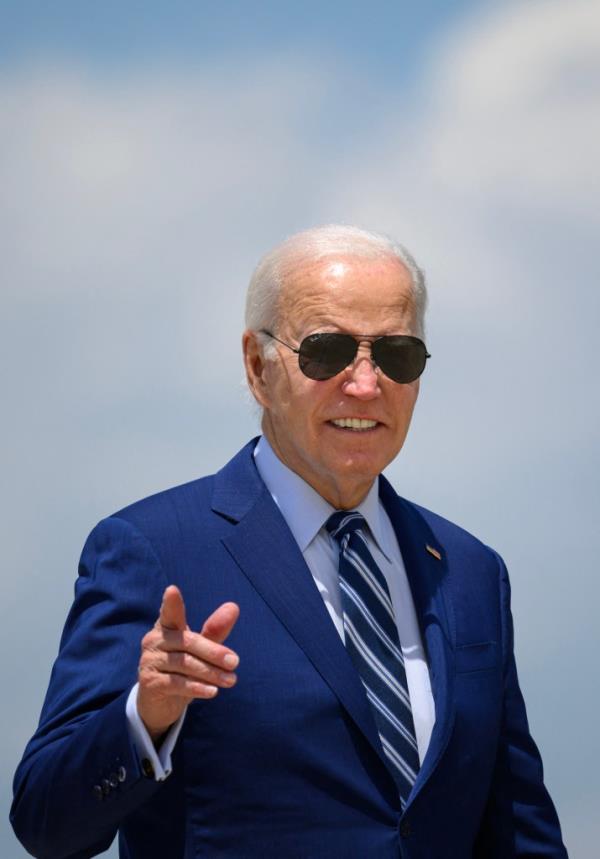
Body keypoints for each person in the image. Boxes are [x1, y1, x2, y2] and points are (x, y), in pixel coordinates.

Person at [11, 225, 567, 858]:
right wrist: (146, 715)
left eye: (397, 355)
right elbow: (45, 823)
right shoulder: (152, 549)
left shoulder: (470, 571)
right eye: (327, 352)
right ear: (258, 368)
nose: (365, 384)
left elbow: (520, 832)